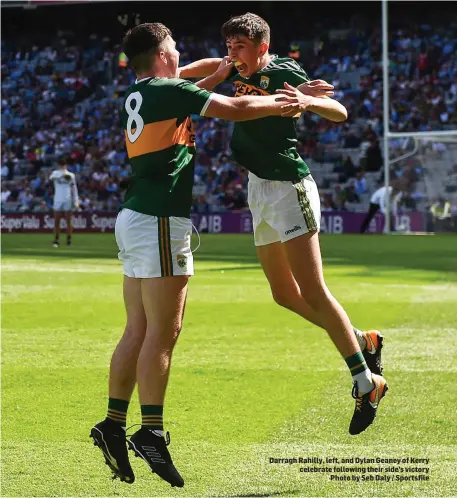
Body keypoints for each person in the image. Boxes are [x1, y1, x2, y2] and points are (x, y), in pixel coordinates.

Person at [90, 22, 302, 488]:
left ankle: (111, 423)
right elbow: (237, 108)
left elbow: (203, 81)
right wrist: (290, 101)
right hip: (161, 218)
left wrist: (225, 68)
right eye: (174, 47)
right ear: (163, 56)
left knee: (138, 328)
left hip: (135, 216)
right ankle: (150, 432)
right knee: (164, 332)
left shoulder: (146, 91)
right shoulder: (169, 89)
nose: (179, 51)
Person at [179, 12, 388, 437]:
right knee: (283, 294)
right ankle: (364, 340)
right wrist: (217, 72)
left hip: (289, 188)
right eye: (229, 45)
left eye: (239, 46)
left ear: (261, 47)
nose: (232, 53)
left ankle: (366, 381)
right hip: (260, 190)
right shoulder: (235, 68)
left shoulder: (284, 70)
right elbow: (187, 80)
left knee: (312, 289)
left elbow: (340, 111)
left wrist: (308, 101)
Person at [49, 158, 79, 247]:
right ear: (59, 165)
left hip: (68, 199)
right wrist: (61, 176)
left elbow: (74, 188)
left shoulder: (71, 175)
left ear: (66, 165)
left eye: (64, 165)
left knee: (68, 221)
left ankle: (69, 240)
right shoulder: (55, 173)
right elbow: (51, 178)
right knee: (56, 221)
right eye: (61, 165)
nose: (62, 166)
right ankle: (56, 240)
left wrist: (76, 200)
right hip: (58, 199)